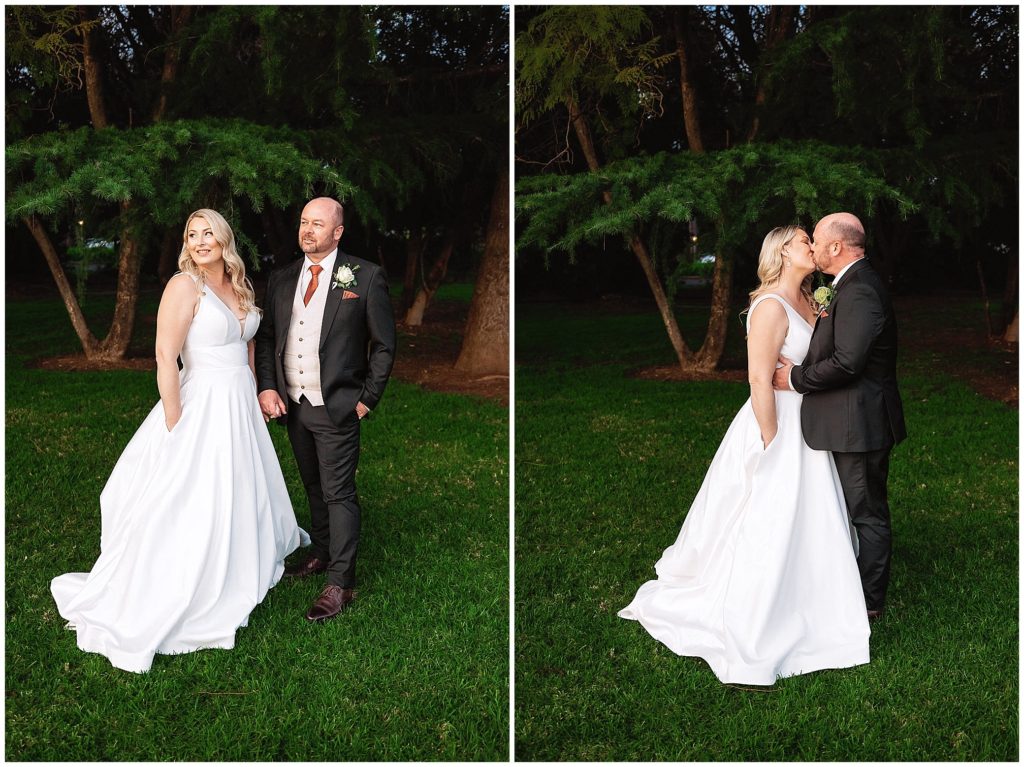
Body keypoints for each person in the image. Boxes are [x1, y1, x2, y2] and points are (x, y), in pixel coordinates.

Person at [51, 209, 309, 674]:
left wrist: (255, 394)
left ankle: (240, 557)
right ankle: (190, 576)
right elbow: (165, 357)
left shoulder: (240, 287)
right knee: (193, 495)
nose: (200, 240)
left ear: (224, 239)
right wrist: (175, 420)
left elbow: (248, 348)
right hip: (200, 404)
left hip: (237, 403)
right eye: (192, 234)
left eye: (208, 232)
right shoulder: (183, 286)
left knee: (239, 487)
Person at [619, 225, 870, 686]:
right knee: (768, 516)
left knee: (812, 515)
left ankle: (816, 597)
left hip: (809, 420)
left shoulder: (812, 299)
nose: (810, 247)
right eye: (801, 242)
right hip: (775, 423)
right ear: (781, 253)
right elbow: (758, 380)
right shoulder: (770, 306)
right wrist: (771, 441)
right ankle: (757, 610)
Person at [255, 197, 396, 623]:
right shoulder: (282, 278)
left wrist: (366, 399)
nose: (308, 230)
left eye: (318, 224)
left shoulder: (364, 277)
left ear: (337, 232)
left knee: (339, 492)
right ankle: (320, 551)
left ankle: (340, 583)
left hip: (336, 405)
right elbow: (267, 338)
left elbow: (385, 345)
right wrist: (266, 386)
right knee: (312, 485)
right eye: (303, 222)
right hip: (294, 404)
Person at [774, 212, 906, 620]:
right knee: (853, 508)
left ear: (836, 247)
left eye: (815, 239)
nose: (811, 247)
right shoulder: (845, 285)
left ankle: (868, 605)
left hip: (860, 423)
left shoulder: (860, 289)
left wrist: (794, 377)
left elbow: (849, 363)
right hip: (848, 420)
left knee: (866, 512)